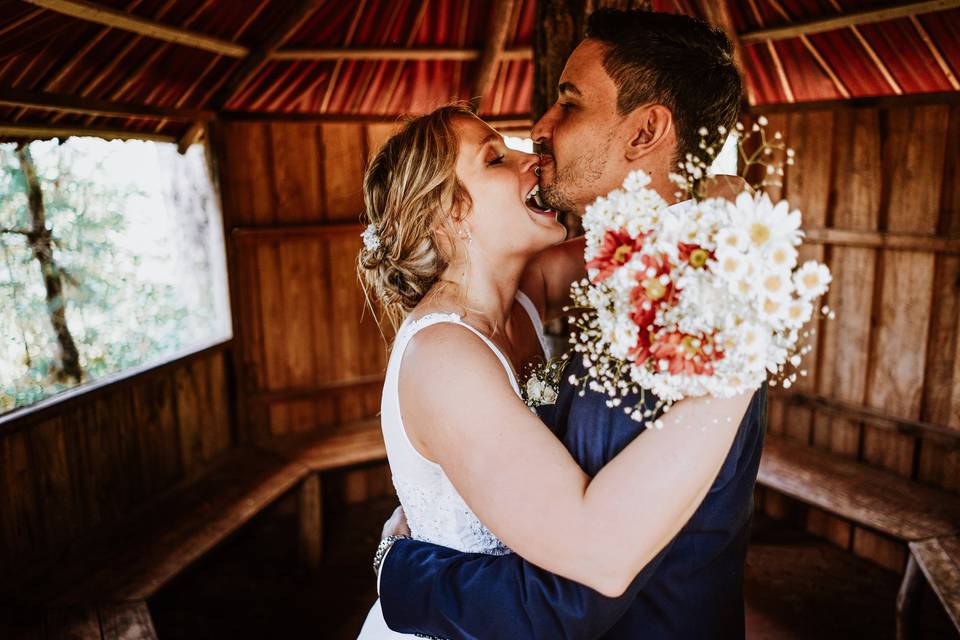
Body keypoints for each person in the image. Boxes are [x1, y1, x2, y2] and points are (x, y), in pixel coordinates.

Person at [371, 9, 767, 640]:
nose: (539, 134)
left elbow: (580, 581)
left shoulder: (670, 306)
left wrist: (403, 573)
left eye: (569, 102)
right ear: (448, 213)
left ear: (644, 132)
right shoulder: (493, 319)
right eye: (497, 157)